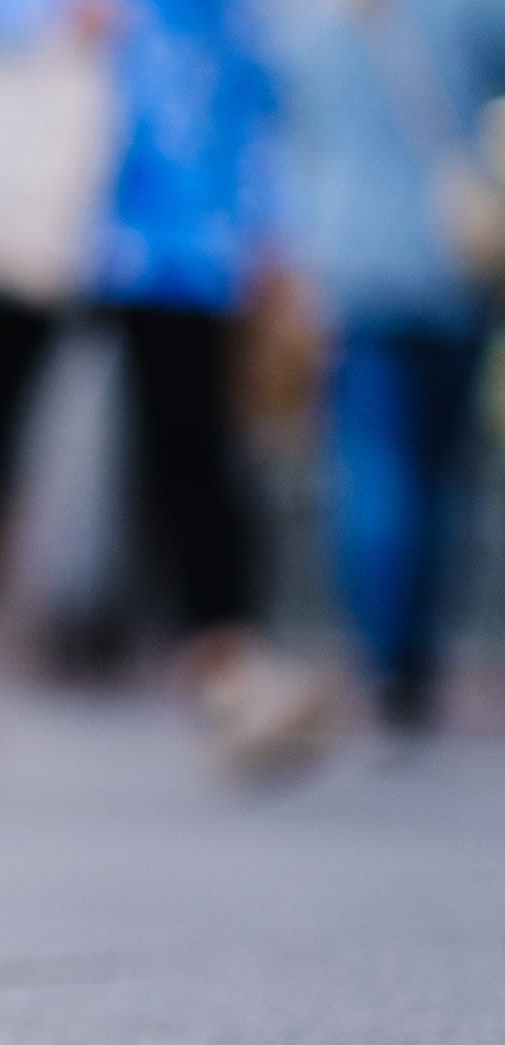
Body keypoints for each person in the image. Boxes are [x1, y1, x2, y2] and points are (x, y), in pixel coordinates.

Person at [0, 0, 337, 775]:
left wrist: (268, 222)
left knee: (192, 440)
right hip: (40, 199)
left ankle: (228, 661)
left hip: (176, 221)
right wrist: (36, 19)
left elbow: (251, 70)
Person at [261, 0, 505, 729]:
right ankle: (417, 652)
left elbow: (288, 131)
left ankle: (384, 655)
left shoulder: (307, 19)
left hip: (352, 261)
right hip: (452, 256)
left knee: (375, 465)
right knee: (438, 469)